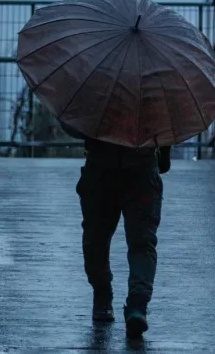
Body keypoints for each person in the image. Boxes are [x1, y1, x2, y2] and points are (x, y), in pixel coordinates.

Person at [60, 121, 171, 337]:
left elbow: (71, 124)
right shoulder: (152, 90)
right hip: (141, 171)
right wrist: (164, 153)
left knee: (96, 240)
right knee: (141, 243)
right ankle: (137, 306)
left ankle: (103, 297)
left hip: (101, 169)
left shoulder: (95, 89)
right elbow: (165, 124)